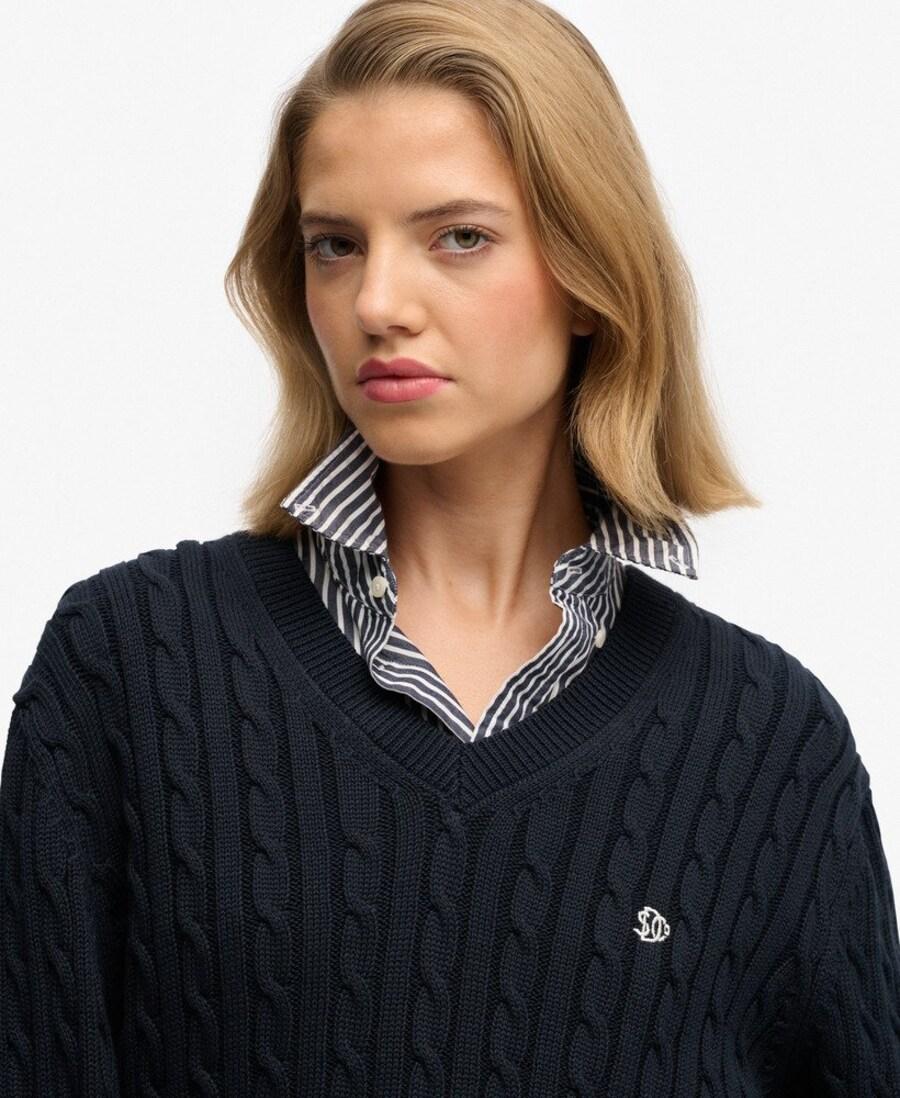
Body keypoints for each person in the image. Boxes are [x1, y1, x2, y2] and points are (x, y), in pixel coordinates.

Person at [3, 0, 898, 1093]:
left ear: (591, 275)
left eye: (458, 237)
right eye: (335, 246)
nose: (377, 303)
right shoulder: (131, 665)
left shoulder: (769, 746)